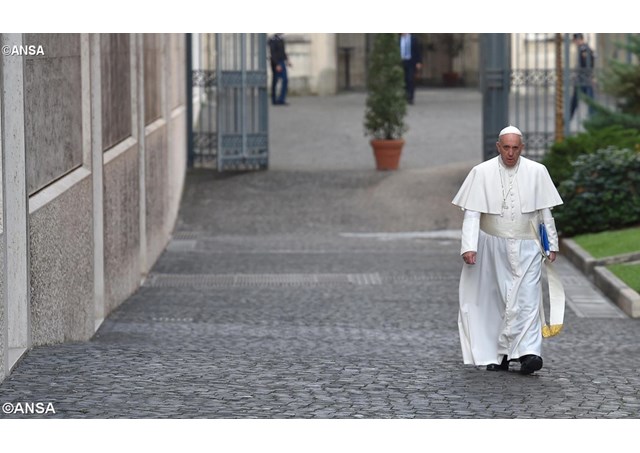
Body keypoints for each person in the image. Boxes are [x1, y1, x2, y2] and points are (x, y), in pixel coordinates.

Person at [451, 125, 564, 375]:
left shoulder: (537, 171)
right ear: (498, 147)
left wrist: (551, 244)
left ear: (521, 148)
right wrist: (469, 247)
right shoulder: (481, 173)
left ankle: (529, 353)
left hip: (529, 245)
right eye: (506, 147)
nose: (510, 153)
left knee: (528, 298)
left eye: (515, 148)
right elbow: (472, 214)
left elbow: (545, 212)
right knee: (497, 300)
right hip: (493, 245)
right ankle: (499, 354)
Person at [569, 33, 596, 120]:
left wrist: (591, 77)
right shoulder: (582, 49)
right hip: (582, 79)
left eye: (574, 41)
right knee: (583, 100)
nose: (574, 43)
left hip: (584, 79)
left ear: (578, 39)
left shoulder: (585, 49)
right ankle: (568, 118)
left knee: (588, 100)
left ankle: (594, 118)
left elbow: (588, 65)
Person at [268, 33, 291, 106]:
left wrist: (287, 60)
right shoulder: (273, 40)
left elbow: (283, 52)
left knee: (285, 79)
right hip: (276, 62)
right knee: (275, 80)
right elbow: (273, 53)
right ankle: (274, 99)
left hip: (282, 61)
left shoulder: (281, 39)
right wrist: (277, 64)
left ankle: (281, 99)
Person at [399, 33, 422, 104]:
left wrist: (418, 62)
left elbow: (417, 50)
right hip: (401, 62)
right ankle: (404, 96)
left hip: (411, 62)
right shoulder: (398, 39)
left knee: (410, 79)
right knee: (403, 80)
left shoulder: (413, 39)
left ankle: (410, 97)